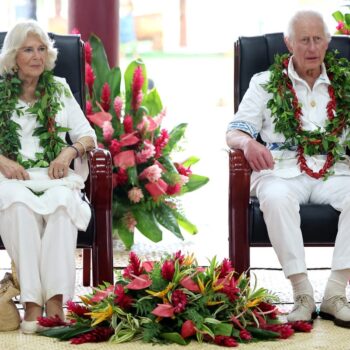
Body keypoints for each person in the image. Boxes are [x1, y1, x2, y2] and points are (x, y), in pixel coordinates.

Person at [226, 10, 350, 328]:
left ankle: (335, 294)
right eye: (304, 40)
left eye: (318, 39)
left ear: (327, 42)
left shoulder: (345, 83)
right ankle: (302, 293)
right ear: (289, 42)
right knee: (276, 197)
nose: (311, 47)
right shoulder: (265, 83)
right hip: (280, 170)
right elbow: (235, 131)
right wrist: (249, 144)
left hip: (333, 170)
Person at [0, 20, 96, 333]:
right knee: (18, 206)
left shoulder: (60, 88)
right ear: (14, 55)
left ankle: (56, 301)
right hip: (11, 176)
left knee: (61, 203)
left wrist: (68, 153)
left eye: (41, 49)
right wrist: (3, 161)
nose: (37, 56)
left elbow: (87, 136)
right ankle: (31, 303)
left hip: (53, 173)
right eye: (28, 49)